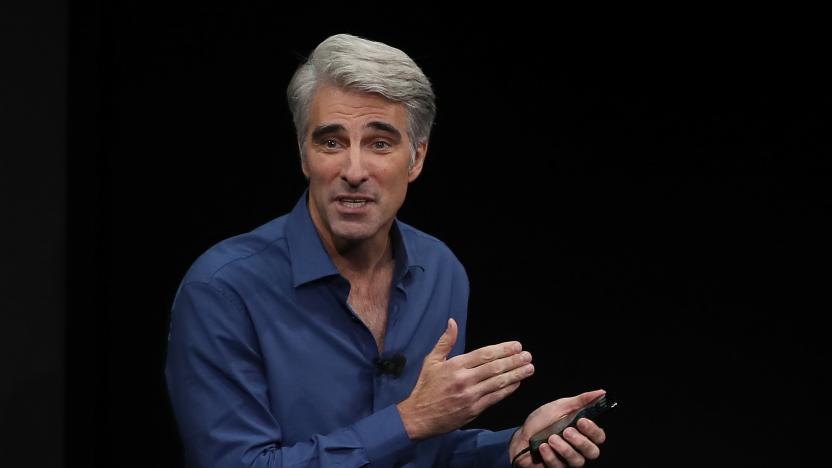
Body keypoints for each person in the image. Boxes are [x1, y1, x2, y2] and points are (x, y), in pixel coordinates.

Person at [165, 33, 608, 468]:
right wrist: (409, 420)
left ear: (416, 158)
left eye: (380, 143)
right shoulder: (222, 290)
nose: (354, 170)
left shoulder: (440, 271)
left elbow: (425, 449)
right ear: (304, 156)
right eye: (331, 142)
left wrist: (508, 447)